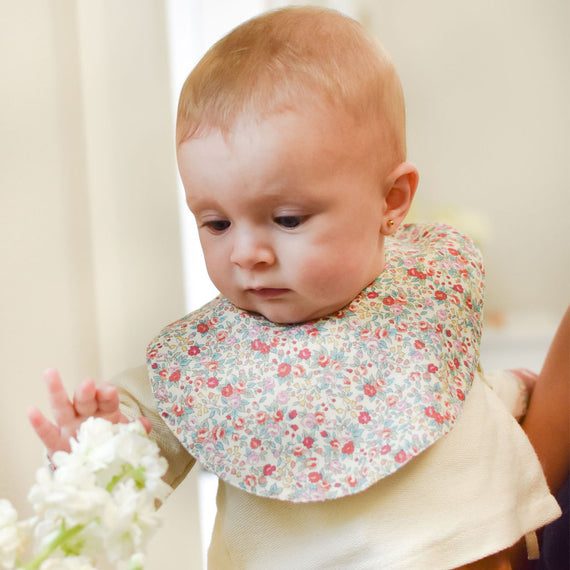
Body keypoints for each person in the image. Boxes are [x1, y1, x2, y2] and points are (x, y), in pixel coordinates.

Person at [27, 7, 562, 569]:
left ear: (391, 201)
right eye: (216, 223)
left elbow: (432, 387)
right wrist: (103, 446)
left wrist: (513, 394)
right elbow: (150, 420)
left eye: (286, 219)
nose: (246, 253)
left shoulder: (421, 290)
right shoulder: (211, 360)